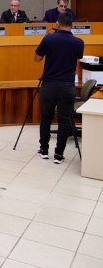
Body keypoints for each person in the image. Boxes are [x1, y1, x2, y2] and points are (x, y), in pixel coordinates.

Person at [34, 12, 84, 164]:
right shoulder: (79, 42)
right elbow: (78, 58)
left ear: (57, 23)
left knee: (46, 118)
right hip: (67, 86)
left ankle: (43, 150)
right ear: (72, 25)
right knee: (64, 121)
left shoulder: (49, 38)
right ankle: (59, 155)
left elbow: (37, 58)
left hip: (49, 85)